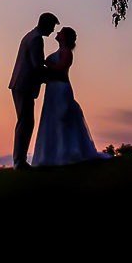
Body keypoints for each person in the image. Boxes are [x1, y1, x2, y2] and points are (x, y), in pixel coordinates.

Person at [31, 26, 102, 167]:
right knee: (52, 119)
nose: (57, 33)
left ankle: (66, 153)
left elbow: (61, 69)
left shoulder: (67, 52)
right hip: (52, 89)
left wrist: (47, 63)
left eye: (60, 32)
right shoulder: (60, 52)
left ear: (65, 37)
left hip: (60, 88)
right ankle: (52, 154)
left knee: (62, 118)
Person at [9, 11, 59, 169]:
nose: (52, 31)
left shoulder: (31, 35)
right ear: (46, 24)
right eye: (51, 27)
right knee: (25, 122)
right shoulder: (36, 39)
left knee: (25, 122)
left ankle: (19, 160)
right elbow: (36, 66)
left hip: (20, 84)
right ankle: (19, 161)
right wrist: (53, 77)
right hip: (24, 84)